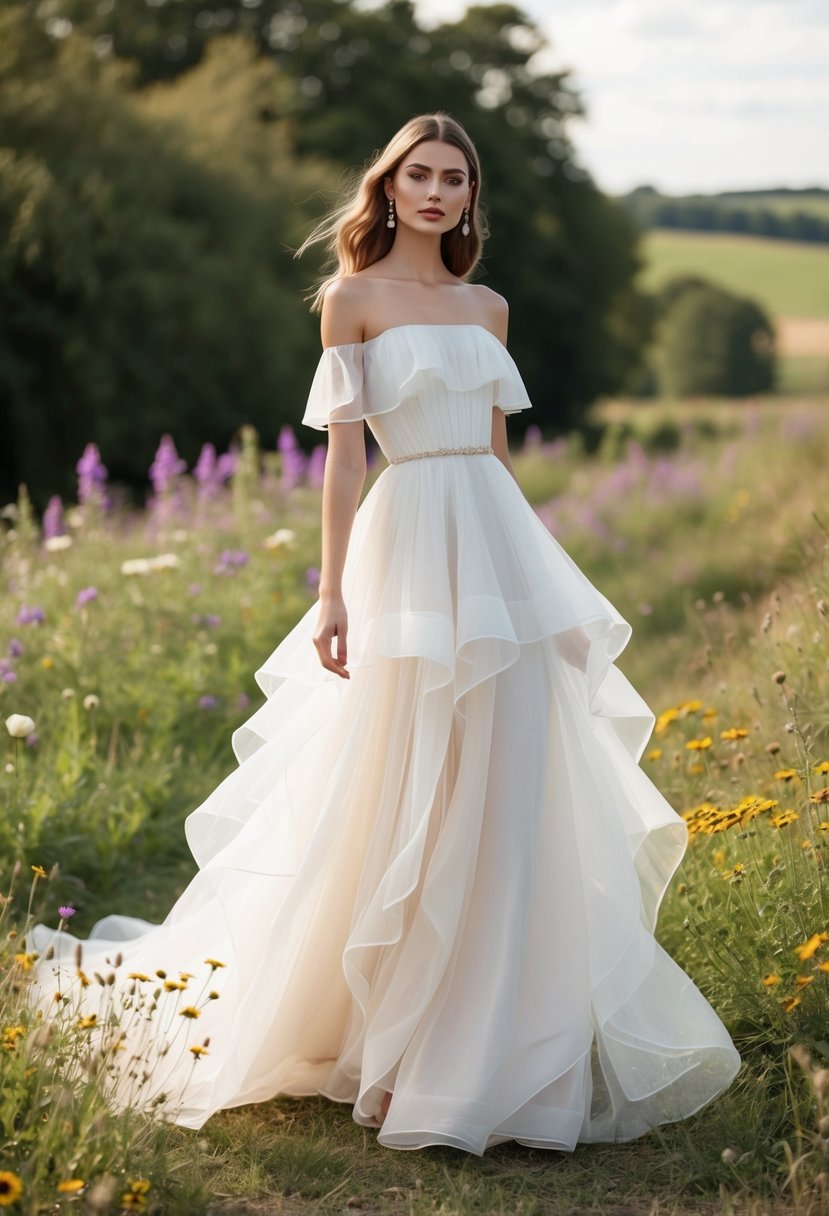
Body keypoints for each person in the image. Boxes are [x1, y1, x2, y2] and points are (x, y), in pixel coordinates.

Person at [27, 111, 741, 1156]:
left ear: (467, 196)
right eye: (420, 173)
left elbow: (498, 462)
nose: (438, 191)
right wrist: (331, 596)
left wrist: (554, 594)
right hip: (403, 544)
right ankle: (377, 1033)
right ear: (390, 186)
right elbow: (345, 461)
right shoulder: (349, 301)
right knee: (398, 779)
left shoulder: (487, 307)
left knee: (501, 786)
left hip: (493, 551)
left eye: (455, 177)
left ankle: (478, 1047)